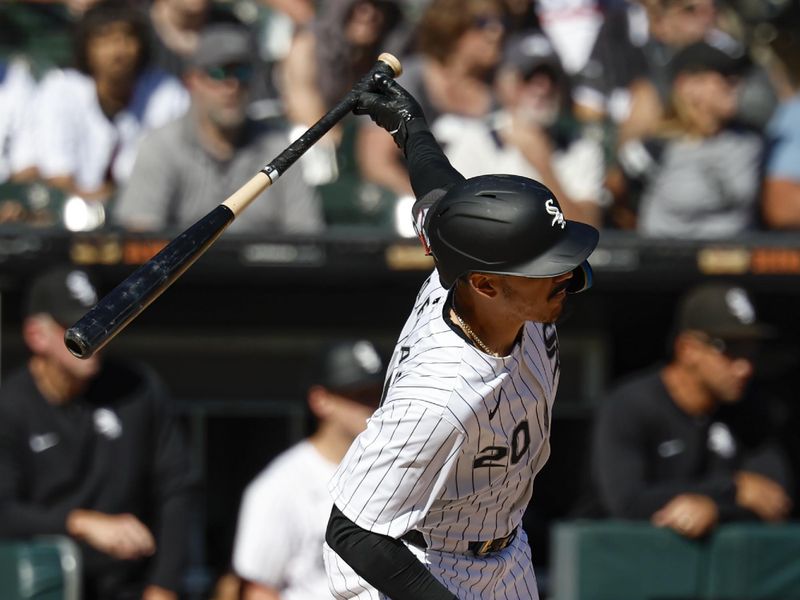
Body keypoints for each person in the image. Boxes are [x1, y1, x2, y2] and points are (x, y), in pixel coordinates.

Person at [322, 73, 599, 598]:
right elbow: (351, 531)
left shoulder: (466, 260)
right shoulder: (439, 396)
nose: (568, 275)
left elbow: (439, 191)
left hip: (503, 549)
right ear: (486, 284)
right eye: (546, 266)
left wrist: (409, 126)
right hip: (412, 560)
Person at [0, 265, 194, 600]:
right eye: (77, 325)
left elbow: (177, 487)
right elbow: (5, 512)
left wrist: (164, 585)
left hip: (131, 585)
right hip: (44, 586)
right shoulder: (11, 405)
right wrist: (80, 523)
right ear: (36, 335)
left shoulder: (137, 388)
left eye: (103, 321)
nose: (97, 334)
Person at [591, 282, 793, 539]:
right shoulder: (630, 404)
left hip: (720, 570)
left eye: (750, 349)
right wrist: (731, 490)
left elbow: (774, 499)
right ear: (688, 349)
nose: (744, 366)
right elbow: (627, 502)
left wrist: (714, 509)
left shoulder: (753, 409)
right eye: (729, 349)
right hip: (619, 563)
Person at [113, 22, 323, 234]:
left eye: (241, 72)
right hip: (189, 267)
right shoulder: (162, 147)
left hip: (264, 268)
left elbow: (306, 238)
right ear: (192, 81)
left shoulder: (277, 147)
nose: (232, 86)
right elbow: (139, 238)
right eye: (218, 73)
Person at [231, 339, 385, 599]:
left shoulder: (396, 472)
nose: (374, 406)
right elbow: (259, 589)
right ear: (321, 400)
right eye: (360, 396)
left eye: (379, 394)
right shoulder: (280, 484)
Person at [13, 1, 189, 203]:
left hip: (141, 215)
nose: (118, 51)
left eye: (127, 37)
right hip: (66, 217)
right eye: (106, 39)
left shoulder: (167, 92)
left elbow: (165, 176)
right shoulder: (60, 88)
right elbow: (56, 175)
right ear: (86, 46)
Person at [440, 30, 606, 228]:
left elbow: (586, 229)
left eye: (551, 77)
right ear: (505, 84)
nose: (542, 88)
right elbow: (455, 224)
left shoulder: (581, 149)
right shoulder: (475, 141)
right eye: (528, 77)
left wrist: (544, 167)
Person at [613, 40, 763, 237]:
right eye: (726, 76)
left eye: (738, 76)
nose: (736, 84)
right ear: (689, 84)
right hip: (666, 260)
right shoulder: (655, 148)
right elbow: (615, 196)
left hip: (737, 261)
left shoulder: (752, 142)